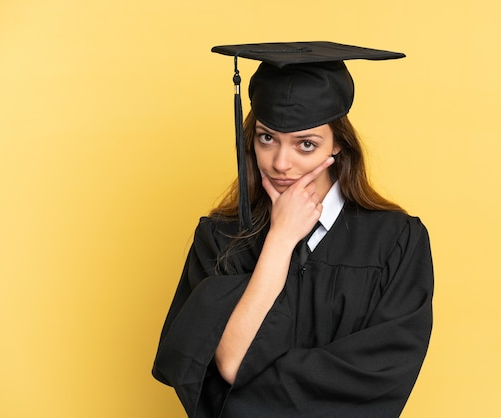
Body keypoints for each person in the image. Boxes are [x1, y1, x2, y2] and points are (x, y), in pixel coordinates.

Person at [152, 41, 434, 418]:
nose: (281, 163)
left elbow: (383, 374)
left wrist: (249, 393)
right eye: (267, 138)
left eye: (306, 144)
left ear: (339, 148)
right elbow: (227, 364)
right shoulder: (219, 238)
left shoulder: (396, 241)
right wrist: (280, 240)